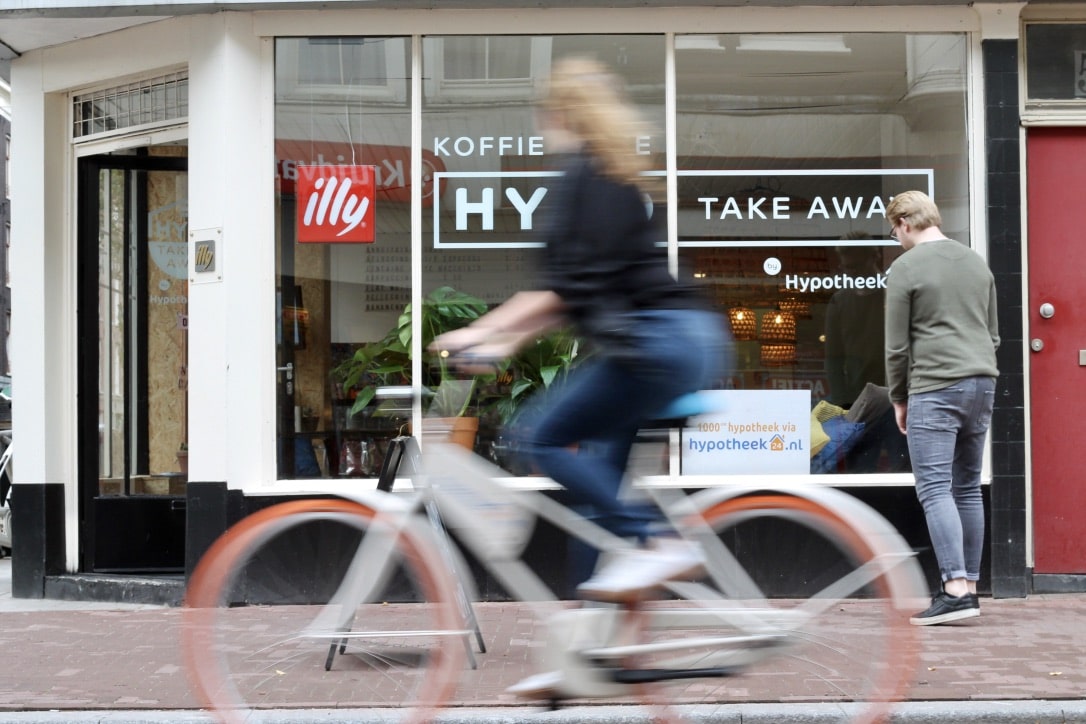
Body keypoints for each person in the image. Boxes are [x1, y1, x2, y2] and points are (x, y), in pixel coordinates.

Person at [432, 56, 730, 603]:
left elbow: (561, 290)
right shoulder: (614, 175)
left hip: (657, 344)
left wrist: (477, 330)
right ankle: (589, 626)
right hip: (680, 340)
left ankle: (660, 543)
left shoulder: (582, 177)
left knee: (540, 437)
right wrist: (503, 343)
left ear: (557, 113)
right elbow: (579, 295)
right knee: (596, 491)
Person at [884, 190, 999, 626]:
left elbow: (897, 346)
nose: (896, 238)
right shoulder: (976, 263)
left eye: (894, 230)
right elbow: (993, 334)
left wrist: (898, 397)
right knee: (967, 486)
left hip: (935, 386)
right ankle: (969, 586)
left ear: (905, 223)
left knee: (935, 489)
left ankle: (953, 590)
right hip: (981, 383)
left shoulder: (906, 266)